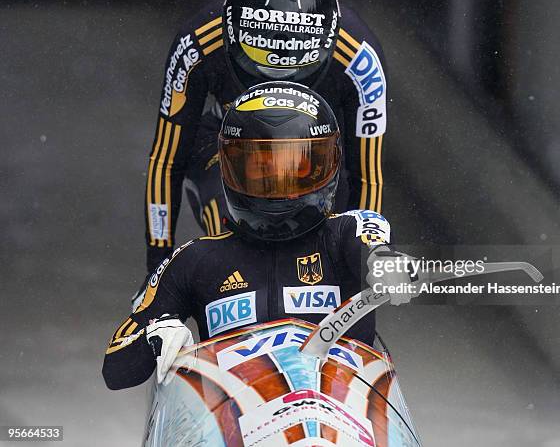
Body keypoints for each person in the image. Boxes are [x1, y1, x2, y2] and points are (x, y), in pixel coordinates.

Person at [104, 82, 396, 390]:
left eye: (296, 166)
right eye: (260, 167)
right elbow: (116, 369)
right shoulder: (195, 262)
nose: (277, 182)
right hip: (238, 428)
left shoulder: (345, 236)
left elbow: (374, 242)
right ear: (231, 167)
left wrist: (388, 264)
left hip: (340, 423)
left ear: (327, 164)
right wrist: (154, 336)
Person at [144, 0, 387, 275]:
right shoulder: (197, 44)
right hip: (228, 142)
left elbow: (366, 175)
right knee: (228, 233)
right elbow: (166, 159)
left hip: (315, 152)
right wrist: (157, 270)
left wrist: (360, 272)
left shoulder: (359, 60)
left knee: (330, 237)